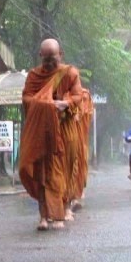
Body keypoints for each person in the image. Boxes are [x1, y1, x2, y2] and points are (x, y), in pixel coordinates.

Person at [19, 38, 84, 231]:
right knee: (41, 173)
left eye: (53, 59)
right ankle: (43, 217)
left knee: (62, 171)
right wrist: (44, 104)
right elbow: (27, 97)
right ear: (40, 56)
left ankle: (62, 210)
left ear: (61, 55)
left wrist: (64, 103)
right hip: (43, 130)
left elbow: (78, 96)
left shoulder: (70, 73)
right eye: (46, 59)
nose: (49, 64)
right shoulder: (33, 76)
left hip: (65, 130)